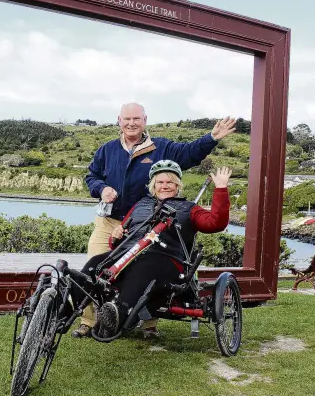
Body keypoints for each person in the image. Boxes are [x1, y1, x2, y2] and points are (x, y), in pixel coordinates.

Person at [72, 103, 236, 338]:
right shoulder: (107, 150)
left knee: (147, 264)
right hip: (115, 221)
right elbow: (92, 176)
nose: (131, 123)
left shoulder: (161, 148)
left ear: (145, 120)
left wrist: (211, 138)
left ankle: (148, 325)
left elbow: (189, 153)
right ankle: (88, 321)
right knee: (97, 265)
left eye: (136, 119)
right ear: (119, 120)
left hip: (151, 224)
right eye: (127, 118)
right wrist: (102, 188)